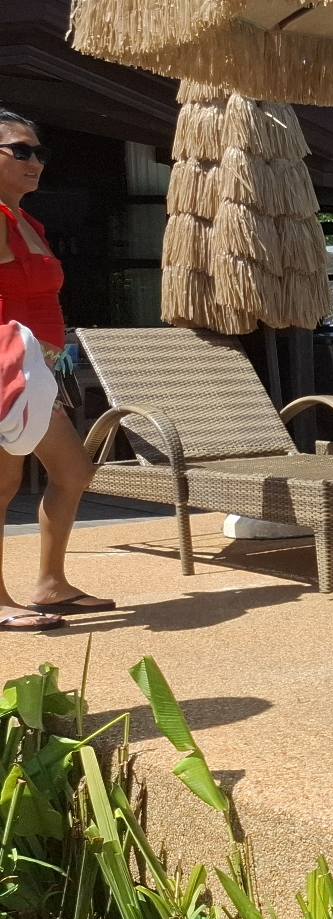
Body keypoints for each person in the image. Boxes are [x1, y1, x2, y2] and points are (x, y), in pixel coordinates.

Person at [0, 108, 111, 631]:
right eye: (20, 151)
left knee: (72, 471)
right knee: (3, 482)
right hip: (7, 369)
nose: (35, 161)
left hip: (41, 372)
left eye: (39, 152)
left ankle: (50, 584)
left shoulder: (28, 221)